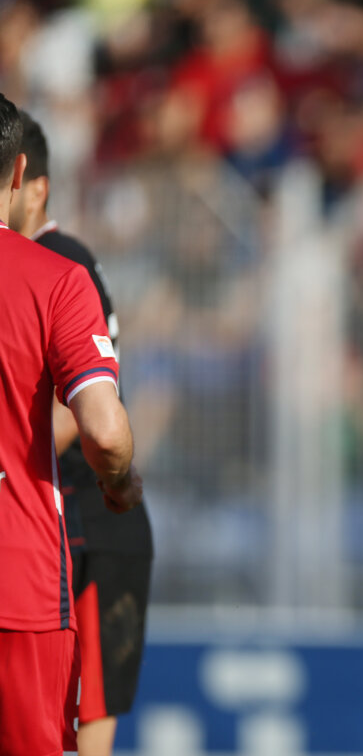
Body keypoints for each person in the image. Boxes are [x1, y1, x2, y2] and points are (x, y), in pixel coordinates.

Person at [8, 110, 154, 756]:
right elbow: (96, 417)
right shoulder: (54, 269)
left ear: (35, 185)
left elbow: (83, 416)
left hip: (87, 525)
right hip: (51, 532)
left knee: (87, 728)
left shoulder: (62, 263)